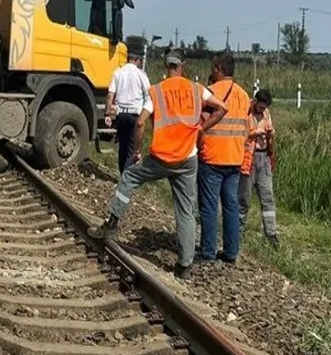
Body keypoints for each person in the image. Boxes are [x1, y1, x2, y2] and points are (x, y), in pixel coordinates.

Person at [88, 50, 228, 278]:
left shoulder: (156, 91)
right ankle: (184, 264)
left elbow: (141, 122)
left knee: (129, 177)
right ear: (183, 65)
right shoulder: (197, 89)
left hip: (161, 157)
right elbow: (223, 108)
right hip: (187, 159)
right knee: (186, 210)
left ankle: (112, 223)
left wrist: (136, 152)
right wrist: (202, 128)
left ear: (166, 65)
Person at [196, 52, 250, 265]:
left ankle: (208, 252)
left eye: (213, 68)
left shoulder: (210, 92)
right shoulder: (244, 95)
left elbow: (202, 123)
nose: (211, 71)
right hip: (235, 158)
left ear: (218, 69)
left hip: (212, 157)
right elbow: (245, 128)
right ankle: (231, 252)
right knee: (231, 205)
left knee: (209, 206)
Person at [239, 89, 280, 248]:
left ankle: (271, 234)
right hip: (248, 159)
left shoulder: (266, 113)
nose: (262, 110)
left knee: (268, 197)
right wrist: (255, 133)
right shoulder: (245, 111)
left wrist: (270, 133)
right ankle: (238, 232)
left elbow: (270, 129)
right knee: (244, 199)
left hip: (264, 158)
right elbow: (241, 134)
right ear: (255, 101)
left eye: (265, 108)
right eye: (260, 107)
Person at [104, 37, 151, 175]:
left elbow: (110, 95)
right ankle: (125, 176)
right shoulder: (141, 75)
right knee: (131, 148)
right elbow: (149, 95)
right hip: (134, 115)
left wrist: (108, 114)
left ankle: (121, 173)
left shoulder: (118, 72)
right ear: (137, 60)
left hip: (120, 115)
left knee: (122, 147)